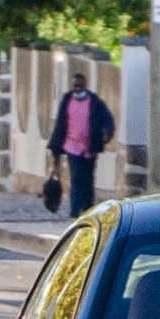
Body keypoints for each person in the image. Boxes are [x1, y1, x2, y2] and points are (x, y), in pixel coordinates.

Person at [49, 73, 116, 219]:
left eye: (80, 85)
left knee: (88, 179)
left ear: (85, 85)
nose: (77, 89)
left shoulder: (94, 101)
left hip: (90, 149)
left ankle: (88, 209)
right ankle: (74, 212)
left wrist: (108, 133)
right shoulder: (67, 100)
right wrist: (55, 148)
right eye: (75, 86)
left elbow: (107, 118)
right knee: (77, 178)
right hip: (72, 147)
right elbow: (60, 124)